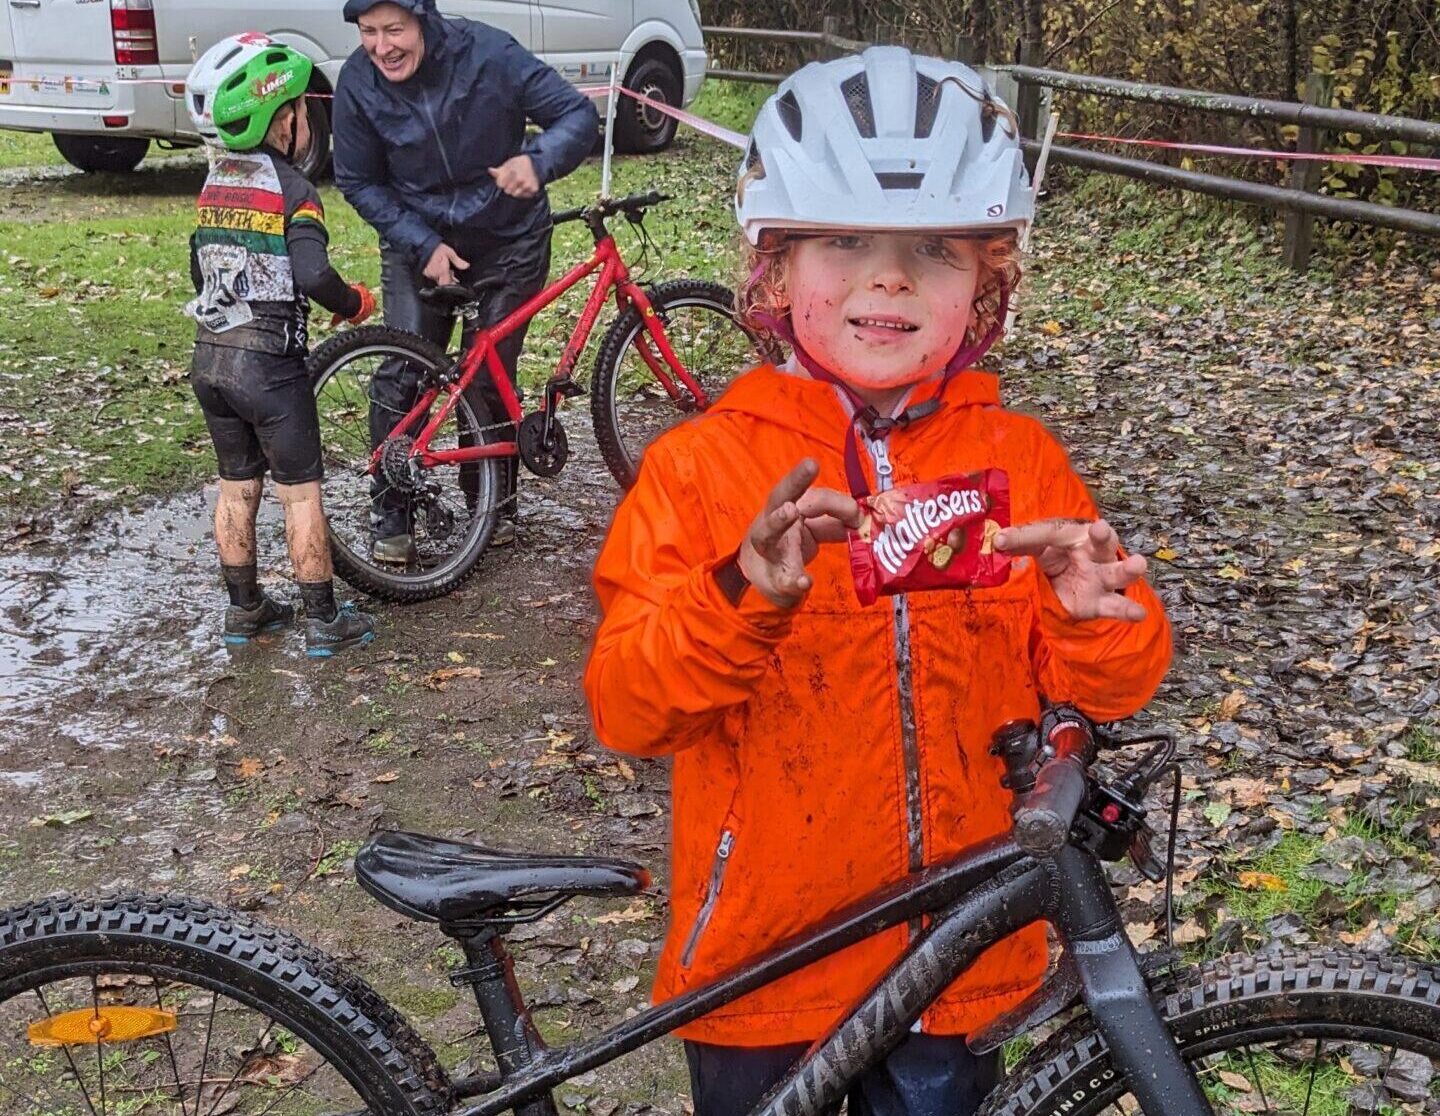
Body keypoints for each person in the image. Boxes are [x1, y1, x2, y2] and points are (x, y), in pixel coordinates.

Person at [583, 47, 1172, 1116]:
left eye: (934, 251)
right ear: (772, 266)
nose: (888, 278)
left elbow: (1109, 687)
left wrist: (1100, 622)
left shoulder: (1021, 460)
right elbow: (629, 708)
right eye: (845, 241)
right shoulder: (700, 469)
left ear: (988, 281)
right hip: (764, 964)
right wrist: (743, 594)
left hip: (958, 956)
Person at [331, 0, 599, 562]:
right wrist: (421, 243)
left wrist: (539, 161)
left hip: (509, 238)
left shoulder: (490, 53)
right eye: (368, 33)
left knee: (487, 375)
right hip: (419, 242)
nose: (382, 47)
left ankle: (493, 507)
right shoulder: (358, 81)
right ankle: (392, 517)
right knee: (404, 370)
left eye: (394, 30)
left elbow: (576, 116)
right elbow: (356, 178)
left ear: (423, 21)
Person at [185, 34, 378, 658]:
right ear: (282, 119)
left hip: (211, 357)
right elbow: (313, 273)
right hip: (269, 366)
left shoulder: (216, 181)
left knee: (236, 487)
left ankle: (245, 611)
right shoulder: (295, 190)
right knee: (301, 493)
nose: (306, 119)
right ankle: (324, 619)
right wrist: (353, 303)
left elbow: (199, 265)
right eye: (299, 109)